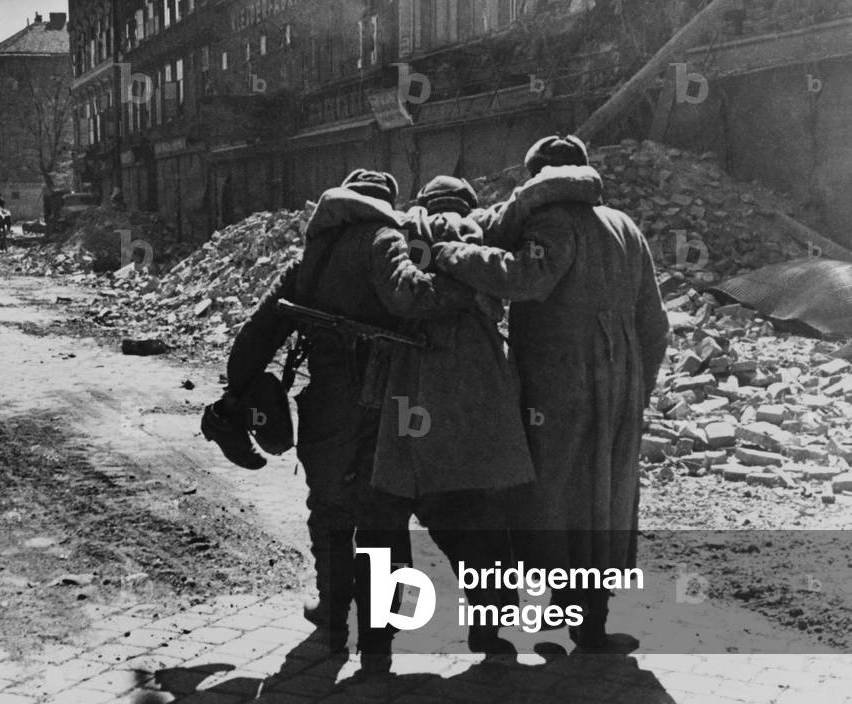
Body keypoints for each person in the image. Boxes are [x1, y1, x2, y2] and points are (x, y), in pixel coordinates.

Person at [204, 170, 486, 664]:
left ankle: (334, 611)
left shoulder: (313, 256)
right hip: (383, 402)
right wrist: (463, 288)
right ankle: (378, 643)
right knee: (382, 517)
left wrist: (237, 397)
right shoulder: (382, 238)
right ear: (385, 204)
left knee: (330, 509)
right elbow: (408, 297)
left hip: (325, 402)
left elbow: (255, 336)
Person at [430, 135, 671, 651]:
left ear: (534, 177)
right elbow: (656, 324)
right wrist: (637, 388)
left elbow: (521, 279)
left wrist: (453, 253)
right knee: (607, 500)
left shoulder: (552, 220)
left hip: (558, 389)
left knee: (552, 500)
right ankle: (590, 624)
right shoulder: (625, 226)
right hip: (620, 389)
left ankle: (563, 615)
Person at [353, 175, 535, 664]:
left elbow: (396, 299)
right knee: (480, 524)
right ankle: (491, 631)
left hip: (406, 398)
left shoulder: (399, 235)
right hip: (472, 398)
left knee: (383, 526)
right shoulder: (481, 238)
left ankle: (376, 640)